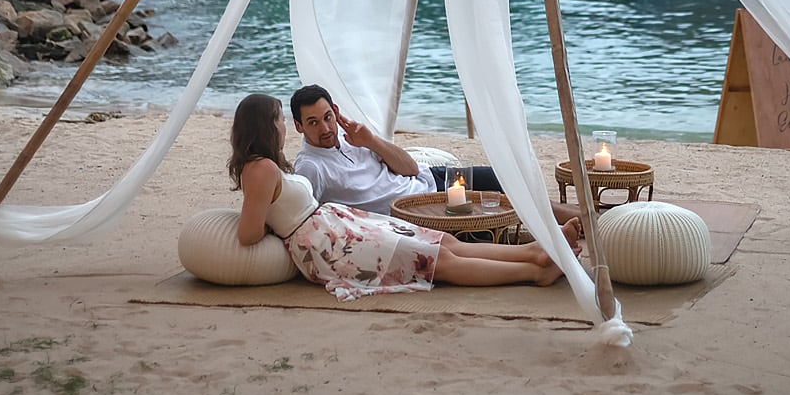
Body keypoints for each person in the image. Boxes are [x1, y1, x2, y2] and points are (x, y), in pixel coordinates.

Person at [230, 94, 579, 300]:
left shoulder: (269, 165)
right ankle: (534, 273)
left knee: (442, 243)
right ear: (269, 125)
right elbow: (249, 233)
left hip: (340, 225)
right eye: (279, 119)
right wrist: (287, 230)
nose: (281, 126)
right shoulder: (264, 169)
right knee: (436, 262)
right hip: (329, 241)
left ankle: (535, 252)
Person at [289, 83, 580, 225]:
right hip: (416, 209)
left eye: (327, 117)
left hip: (430, 179)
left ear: (335, 111)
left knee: (505, 179)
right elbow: (306, 217)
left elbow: (411, 168)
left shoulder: (354, 136)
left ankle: (583, 217)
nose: (325, 128)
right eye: (313, 123)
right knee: (501, 207)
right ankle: (584, 222)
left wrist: (371, 141)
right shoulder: (311, 167)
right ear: (298, 126)